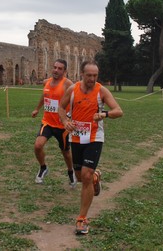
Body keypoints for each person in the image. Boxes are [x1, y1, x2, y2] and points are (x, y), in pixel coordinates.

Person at [58, 60, 123, 235]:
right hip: (77, 137)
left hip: (95, 138)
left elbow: (119, 110)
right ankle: (95, 177)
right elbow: (60, 107)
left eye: (95, 75)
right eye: (89, 75)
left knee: (84, 176)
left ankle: (82, 219)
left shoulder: (101, 91)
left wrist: (104, 114)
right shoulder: (72, 90)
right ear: (81, 74)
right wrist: (65, 121)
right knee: (80, 177)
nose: (92, 79)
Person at [31, 59, 76, 187]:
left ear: (65, 71)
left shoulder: (68, 84)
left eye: (60, 68)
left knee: (66, 152)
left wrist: (71, 117)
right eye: (55, 67)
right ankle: (43, 168)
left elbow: (75, 100)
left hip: (62, 125)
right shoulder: (47, 82)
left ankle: (70, 171)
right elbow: (44, 96)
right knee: (38, 146)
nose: (56, 70)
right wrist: (37, 109)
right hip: (48, 122)